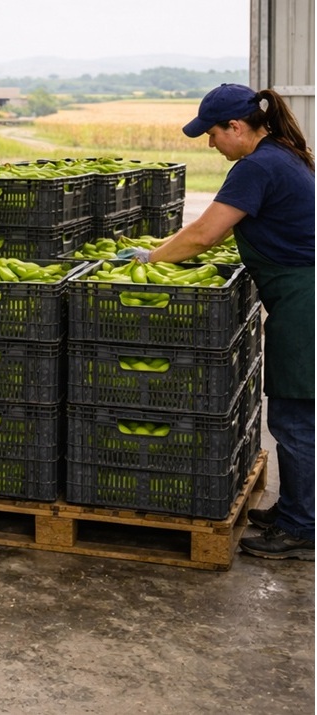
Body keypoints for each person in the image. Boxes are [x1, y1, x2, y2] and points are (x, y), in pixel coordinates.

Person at [118, 83, 314, 560]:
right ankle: (296, 510)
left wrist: (152, 257)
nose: (210, 144)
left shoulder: (257, 167)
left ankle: (302, 529)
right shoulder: (282, 154)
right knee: (297, 416)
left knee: (294, 418)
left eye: (212, 133)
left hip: (304, 301)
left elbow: (205, 234)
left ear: (236, 127)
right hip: (300, 294)